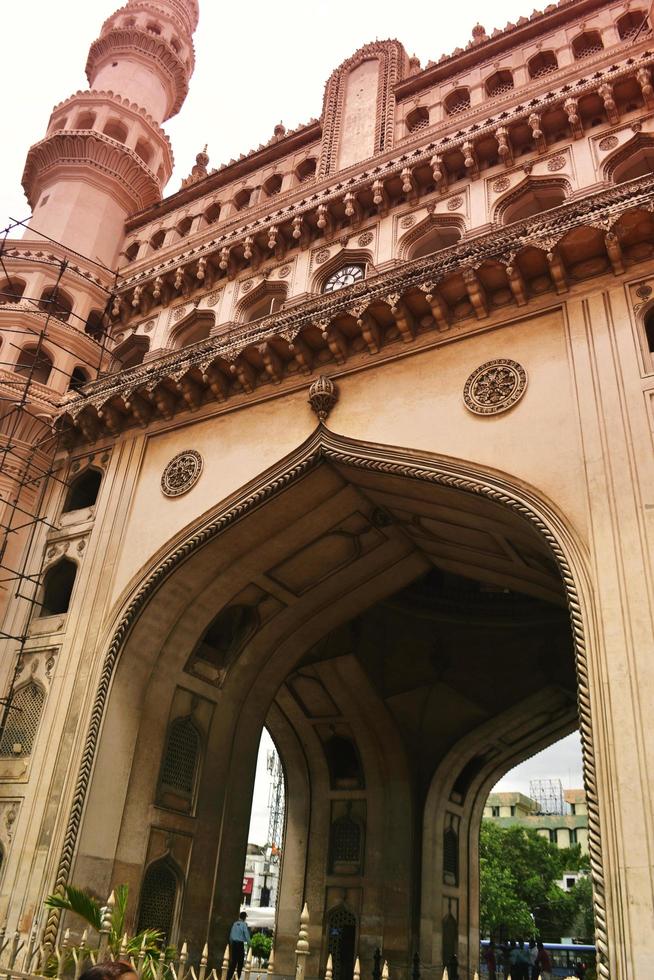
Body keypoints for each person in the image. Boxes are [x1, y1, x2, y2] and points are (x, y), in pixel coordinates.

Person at [229, 910, 251, 979]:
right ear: (244, 918)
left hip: (234, 944)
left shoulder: (235, 924)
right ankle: (237, 977)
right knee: (240, 962)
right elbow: (246, 935)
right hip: (240, 945)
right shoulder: (244, 924)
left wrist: (231, 943)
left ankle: (229, 977)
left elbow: (231, 935)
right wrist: (250, 944)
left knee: (233, 962)